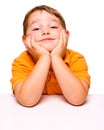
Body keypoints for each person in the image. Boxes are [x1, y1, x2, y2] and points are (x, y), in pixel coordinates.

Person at [10, 5, 90, 107]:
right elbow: (27, 100)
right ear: (25, 40)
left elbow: (78, 99)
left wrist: (56, 57)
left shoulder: (76, 59)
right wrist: (44, 58)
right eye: (36, 28)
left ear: (66, 35)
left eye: (53, 27)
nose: (45, 31)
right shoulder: (21, 62)